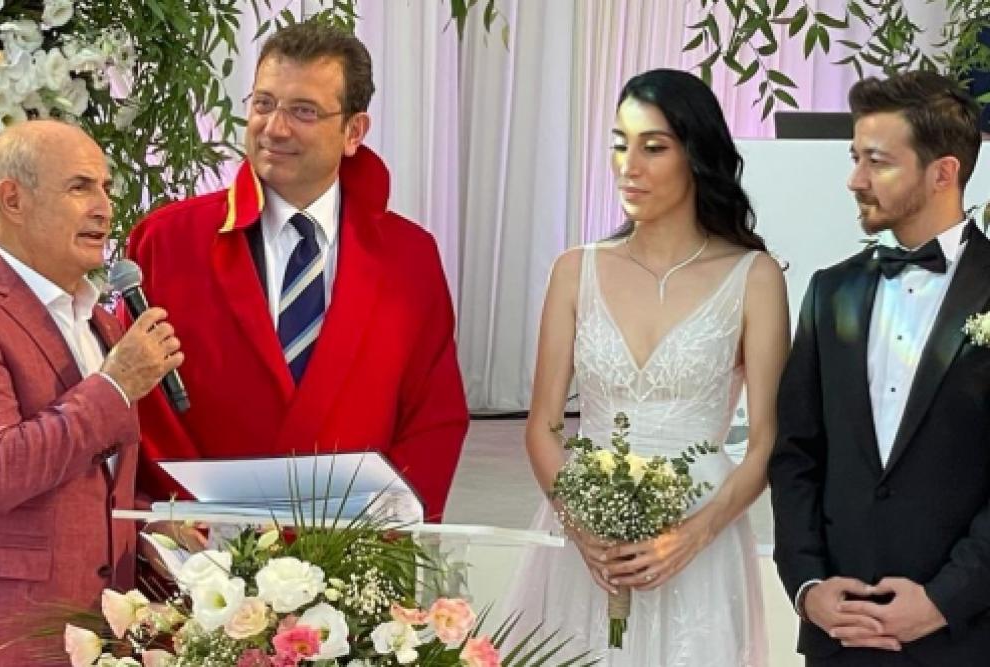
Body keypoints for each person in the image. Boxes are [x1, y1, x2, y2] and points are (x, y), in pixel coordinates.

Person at [124, 21, 467, 523]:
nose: (275, 128)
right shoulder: (167, 242)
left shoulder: (409, 257)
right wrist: (189, 525)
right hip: (202, 548)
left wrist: (385, 534)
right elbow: (142, 403)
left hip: (354, 546)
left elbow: (433, 415)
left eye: (303, 111)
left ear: (354, 131)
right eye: (264, 104)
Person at [503, 68, 788, 665]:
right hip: (586, 537)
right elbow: (543, 426)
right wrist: (582, 527)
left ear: (696, 156)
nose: (628, 167)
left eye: (653, 148)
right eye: (620, 144)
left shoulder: (754, 278)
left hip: (700, 537)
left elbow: (768, 441)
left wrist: (693, 535)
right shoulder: (575, 270)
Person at [0, 120, 182, 666]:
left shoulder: (102, 322)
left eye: (106, 188)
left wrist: (156, 523)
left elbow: (91, 485)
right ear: (13, 199)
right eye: (80, 187)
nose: (104, 208)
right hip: (0, 635)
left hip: (101, 633)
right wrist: (115, 385)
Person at [771, 70, 990, 666]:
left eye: (877, 162)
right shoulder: (830, 293)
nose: (855, 180)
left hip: (967, 637)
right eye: (855, 158)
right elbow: (796, 454)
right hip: (840, 636)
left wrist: (945, 600)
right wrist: (809, 587)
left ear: (943, 172)